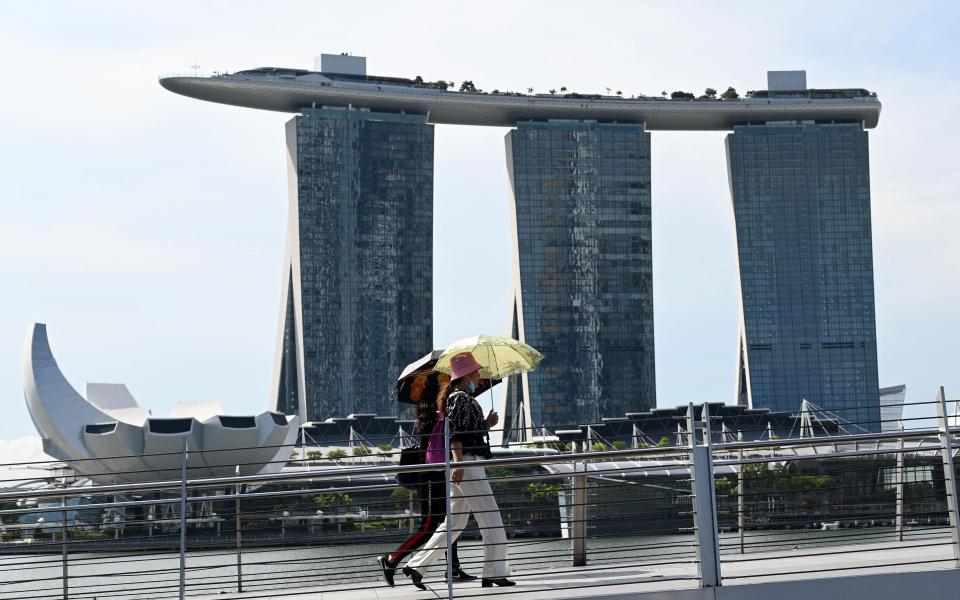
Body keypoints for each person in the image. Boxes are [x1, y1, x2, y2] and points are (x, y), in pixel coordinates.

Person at [401, 351, 515, 589]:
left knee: (454, 523)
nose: (479, 374)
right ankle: (494, 572)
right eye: (475, 371)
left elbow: (465, 431)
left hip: (465, 465)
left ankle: (417, 565)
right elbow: (455, 436)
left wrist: (486, 425)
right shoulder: (460, 399)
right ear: (465, 374)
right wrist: (460, 464)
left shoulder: (457, 398)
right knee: (491, 519)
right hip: (468, 465)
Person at [377, 372, 475, 586]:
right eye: (445, 385)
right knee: (429, 525)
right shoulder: (433, 414)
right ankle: (392, 560)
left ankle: (453, 569)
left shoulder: (442, 411)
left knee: (449, 523)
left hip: (440, 475)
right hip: (430, 476)